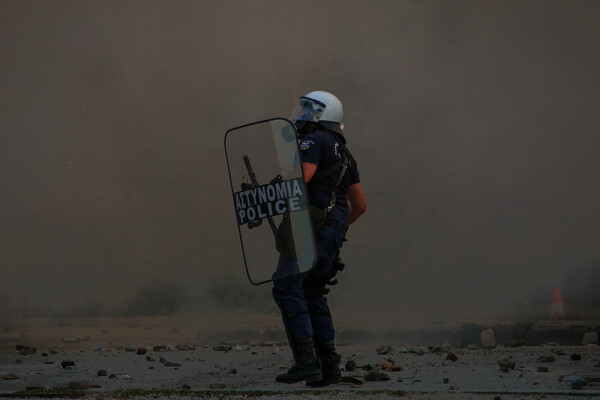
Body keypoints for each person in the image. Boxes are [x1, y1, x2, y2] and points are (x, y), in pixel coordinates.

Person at [272, 91, 367, 386]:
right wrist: (336, 231)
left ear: (323, 115)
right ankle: (330, 368)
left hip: (310, 227)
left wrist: (275, 188)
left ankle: (306, 363)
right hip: (334, 228)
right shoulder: (345, 154)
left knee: (287, 286)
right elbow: (361, 206)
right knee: (313, 291)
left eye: (309, 109)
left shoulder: (313, 141)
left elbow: (303, 176)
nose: (301, 114)